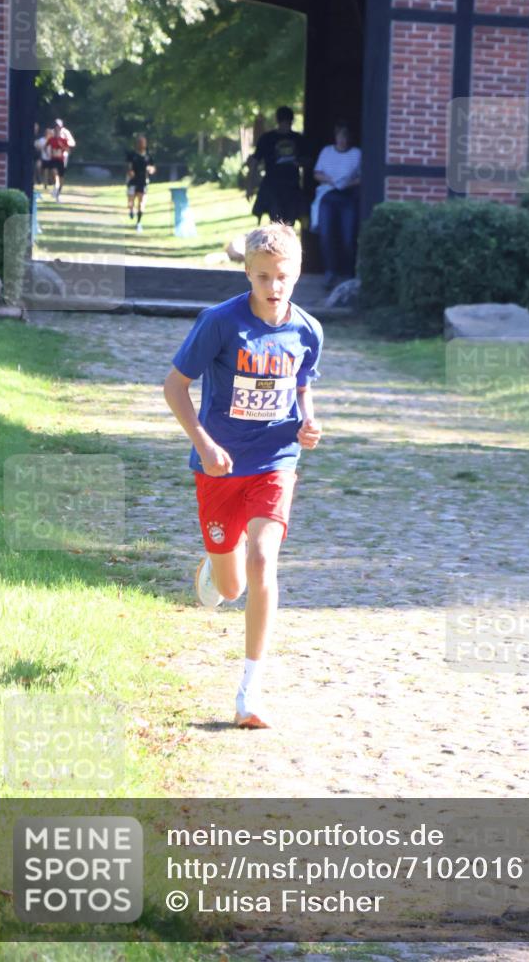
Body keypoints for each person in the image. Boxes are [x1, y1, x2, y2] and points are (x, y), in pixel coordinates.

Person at [163, 223, 323, 729]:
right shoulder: (220, 322)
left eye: (283, 277)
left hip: (275, 461)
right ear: (247, 274)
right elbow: (174, 387)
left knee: (261, 560)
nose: (274, 288)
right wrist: (204, 444)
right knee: (229, 587)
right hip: (218, 466)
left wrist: (309, 420)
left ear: (297, 273)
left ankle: (250, 691)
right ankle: (212, 572)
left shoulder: (309, 330)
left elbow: (301, 383)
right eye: (262, 277)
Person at [312, 121, 362, 289]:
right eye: (341, 136)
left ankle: (348, 272)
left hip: (347, 196)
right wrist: (329, 180)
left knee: (348, 236)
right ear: (336, 137)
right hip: (328, 195)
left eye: (346, 136)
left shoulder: (357, 154)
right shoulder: (326, 152)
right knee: (326, 234)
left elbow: (362, 177)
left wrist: (349, 183)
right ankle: (330, 271)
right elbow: (317, 173)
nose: (343, 140)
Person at [247, 107, 306, 226]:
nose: (286, 126)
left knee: (290, 221)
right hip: (272, 186)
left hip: (292, 186)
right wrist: (250, 186)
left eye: (288, 123)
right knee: (276, 219)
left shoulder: (298, 139)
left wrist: (299, 162)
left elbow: (308, 161)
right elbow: (255, 162)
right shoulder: (267, 139)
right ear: (279, 122)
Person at [126, 135, 156, 233]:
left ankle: (139, 222)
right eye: (140, 142)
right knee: (131, 201)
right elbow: (129, 167)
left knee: (141, 202)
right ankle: (131, 210)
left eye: (143, 142)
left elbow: (152, 167)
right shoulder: (132, 155)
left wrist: (151, 170)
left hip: (143, 181)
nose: (142, 144)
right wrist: (130, 172)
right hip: (133, 181)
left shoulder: (148, 155)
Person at [46, 121, 75, 202]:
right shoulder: (51, 139)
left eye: (59, 128)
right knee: (55, 175)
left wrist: (62, 146)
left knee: (61, 180)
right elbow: (45, 147)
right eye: (56, 129)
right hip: (53, 160)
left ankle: (57, 195)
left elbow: (69, 149)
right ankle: (55, 186)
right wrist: (49, 154)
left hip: (61, 160)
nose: (57, 130)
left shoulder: (64, 139)